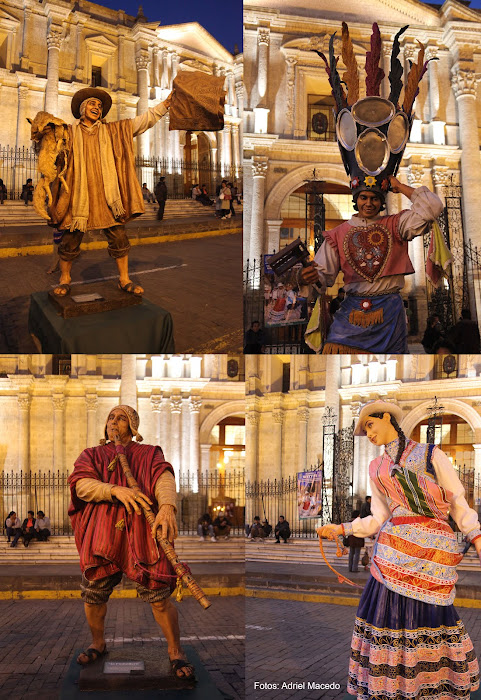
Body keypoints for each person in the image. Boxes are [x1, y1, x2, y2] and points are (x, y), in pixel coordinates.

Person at [318, 399, 481, 698]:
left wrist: (477, 537)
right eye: (364, 428)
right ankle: (392, 686)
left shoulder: (430, 454)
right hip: (392, 556)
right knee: (387, 620)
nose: (368, 433)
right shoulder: (376, 466)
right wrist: (342, 528)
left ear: (387, 418)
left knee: (430, 618)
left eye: (370, 424)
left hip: (432, 557)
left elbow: (457, 501)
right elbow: (378, 518)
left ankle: (430, 685)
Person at [300, 23, 444, 354]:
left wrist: (400, 187)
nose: (367, 203)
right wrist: (306, 277)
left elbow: (433, 209)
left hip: (390, 313)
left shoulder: (398, 225)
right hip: (350, 313)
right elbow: (322, 277)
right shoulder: (336, 236)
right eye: (363, 197)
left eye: (373, 198)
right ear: (356, 199)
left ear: (380, 202)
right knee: (333, 352)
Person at [68, 405, 194, 679]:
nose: (114, 421)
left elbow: (163, 477)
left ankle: (175, 652)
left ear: (133, 426)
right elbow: (81, 485)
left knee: (159, 594)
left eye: (121, 418)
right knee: (94, 591)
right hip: (103, 531)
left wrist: (167, 507)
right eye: (111, 417)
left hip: (141, 529)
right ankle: (97, 643)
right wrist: (113, 489)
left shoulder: (149, 453)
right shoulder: (92, 454)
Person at [35, 87, 173, 297]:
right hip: (78, 195)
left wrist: (165, 106)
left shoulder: (112, 131)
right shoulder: (69, 133)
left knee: (119, 236)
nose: (97, 108)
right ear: (82, 109)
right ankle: (65, 279)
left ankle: (124, 279)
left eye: (99, 106)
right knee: (70, 239)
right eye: (92, 104)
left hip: (107, 196)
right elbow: (46, 148)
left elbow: (142, 122)